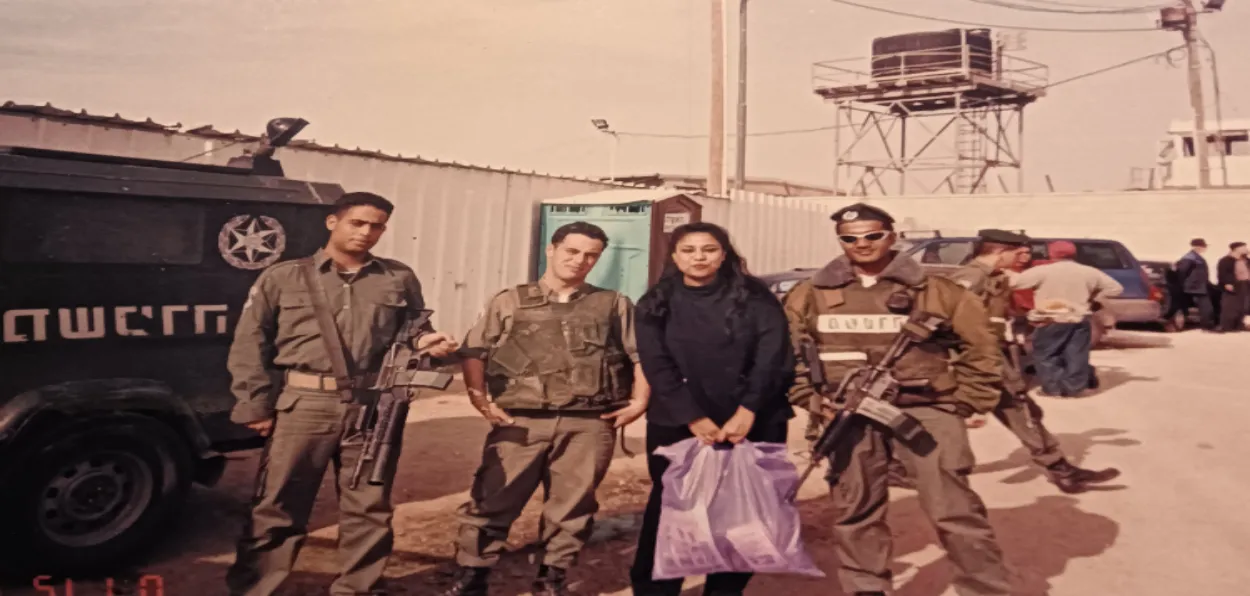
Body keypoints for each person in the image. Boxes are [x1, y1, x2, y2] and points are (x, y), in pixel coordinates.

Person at [225, 191, 460, 596]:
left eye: (377, 226)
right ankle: (258, 590)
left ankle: (358, 588)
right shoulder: (283, 277)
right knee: (277, 506)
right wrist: (254, 404)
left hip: (373, 406)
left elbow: (412, 334)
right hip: (305, 405)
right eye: (358, 223)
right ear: (333, 222)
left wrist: (430, 344)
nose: (367, 233)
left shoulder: (397, 277)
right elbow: (250, 344)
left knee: (368, 507)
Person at [784, 203, 1012, 596]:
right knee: (857, 509)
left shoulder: (936, 290)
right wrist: (812, 399)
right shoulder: (811, 294)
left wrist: (965, 403)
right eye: (850, 238)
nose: (863, 244)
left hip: (926, 409)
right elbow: (786, 354)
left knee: (953, 509)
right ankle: (867, 587)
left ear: (892, 236)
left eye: (873, 235)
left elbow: (982, 349)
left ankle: (986, 587)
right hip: (848, 414)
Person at [444, 221, 651, 596]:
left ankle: (551, 578)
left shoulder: (613, 304)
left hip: (588, 424)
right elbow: (474, 351)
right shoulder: (509, 300)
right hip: (520, 421)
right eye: (572, 251)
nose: (580, 261)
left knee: (572, 506)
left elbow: (642, 356)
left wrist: (640, 402)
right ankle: (471, 576)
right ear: (551, 250)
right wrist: (480, 400)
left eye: (591, 255)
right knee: (493, 498)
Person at [628, 222, 795, 596]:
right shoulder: (655, 302)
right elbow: (657, 364)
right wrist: (693, 417)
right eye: (689, 250)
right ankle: (657, 589)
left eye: (708, 249)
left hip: (753, 420)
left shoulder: (756, 299)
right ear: (674, 256)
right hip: (678, 423)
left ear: (724, 254)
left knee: (742, 515)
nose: (699, 257)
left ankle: (725, 589)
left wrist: (749, 410)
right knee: (673, 512)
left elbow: (774, 357)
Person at [947, 230, 1120, 493]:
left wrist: (1031, 319)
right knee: (954, 413)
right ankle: (903, 463)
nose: (1022, 259)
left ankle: (1061, 471)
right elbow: (947, 320)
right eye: (1018, 253)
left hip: (994, 353)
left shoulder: (994, 278)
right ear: (998, 251)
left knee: (1020, 410)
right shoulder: (970, 278)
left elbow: (996, 316)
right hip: (979, 358)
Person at [1008, 240, 1122, 398]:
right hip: (1080, 318)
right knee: (1076, 354)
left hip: (1051, 317)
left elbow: (1015, 283)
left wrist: (1005, 271)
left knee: (1046, 354)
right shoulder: (1089, 271)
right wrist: (1094, 298)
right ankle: (1075, 389)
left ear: (1052, 254)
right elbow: (1116, 289)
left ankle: (1053, 389)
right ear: (1074, 254)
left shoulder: (1043, 271)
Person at [1171, 238, 1215, 331]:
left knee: (1204, 307)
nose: (1205, 248)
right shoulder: (1190, 257)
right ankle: (1207, 327)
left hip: (1198, 286)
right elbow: (1182, 272)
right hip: (1195, 288)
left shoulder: (1195, 257)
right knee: (1206, 307)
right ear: (1198, 247)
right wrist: (1186, 284)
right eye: (1204, 246)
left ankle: (1207, 325)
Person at [1215, 242, 1249, 332]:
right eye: (1244, 247)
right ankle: (1227, 326)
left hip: (1245, 284)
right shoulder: (1226, 260)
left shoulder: (1245, 259)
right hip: (1233, 284)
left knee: (1242, 306)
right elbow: (1222, 273)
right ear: (1236, 249)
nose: (1246, 249)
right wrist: (1227, 283)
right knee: (1230, 306)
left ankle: (1238, 325)